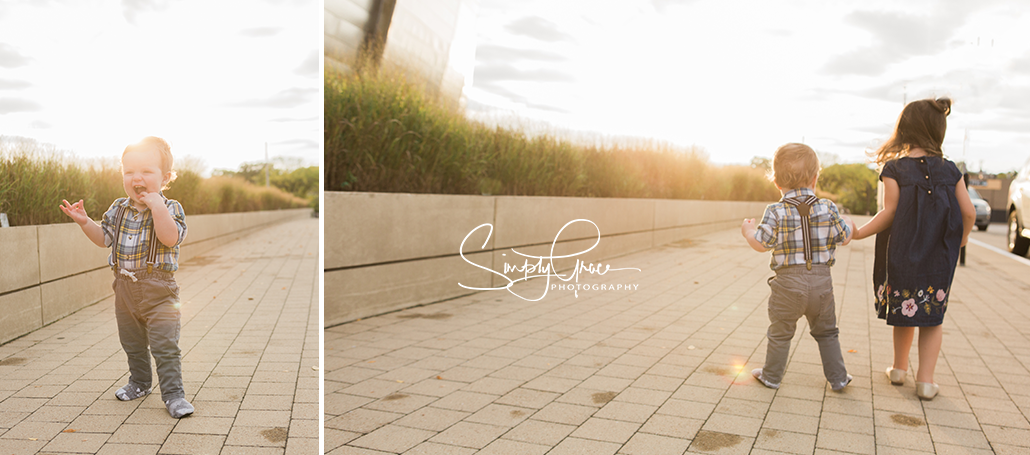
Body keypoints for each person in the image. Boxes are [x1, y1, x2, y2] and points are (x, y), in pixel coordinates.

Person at [59, 136, 194, 418]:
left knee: (164, 345)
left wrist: (156, 205)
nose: (137, 178)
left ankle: (173, 395)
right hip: (124, 289)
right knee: (132, 343)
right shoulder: (118, 208)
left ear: (165, 177)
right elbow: (103, 238)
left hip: (160, 291)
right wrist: (86, 222)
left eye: (146, 171)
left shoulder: (171, 208)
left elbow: (169, 238)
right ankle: (140, 383)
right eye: (129, 171)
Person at [852, 97, 975, 400]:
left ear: (904, 129)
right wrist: (961, 241)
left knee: (906, 307)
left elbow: (889, 213)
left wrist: (858, 233)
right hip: (939, 257)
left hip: (903, 255)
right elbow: (969, 213)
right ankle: (926, 381)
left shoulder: (894, 169)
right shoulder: (951, 170)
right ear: (938, 131)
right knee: (932, 317)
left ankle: (898, 368)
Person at [741, 143, 856, 391]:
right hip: (822, 284)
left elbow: (762, 244)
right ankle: (838, 378)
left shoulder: (775, 210)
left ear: (776, 182)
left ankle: (771, 376)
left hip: (787, 286)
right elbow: (844, 238)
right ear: (815, 178)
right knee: (827, 333)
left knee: (781, 332)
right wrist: (848, 223)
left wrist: (749, 231)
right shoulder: (828, 208)